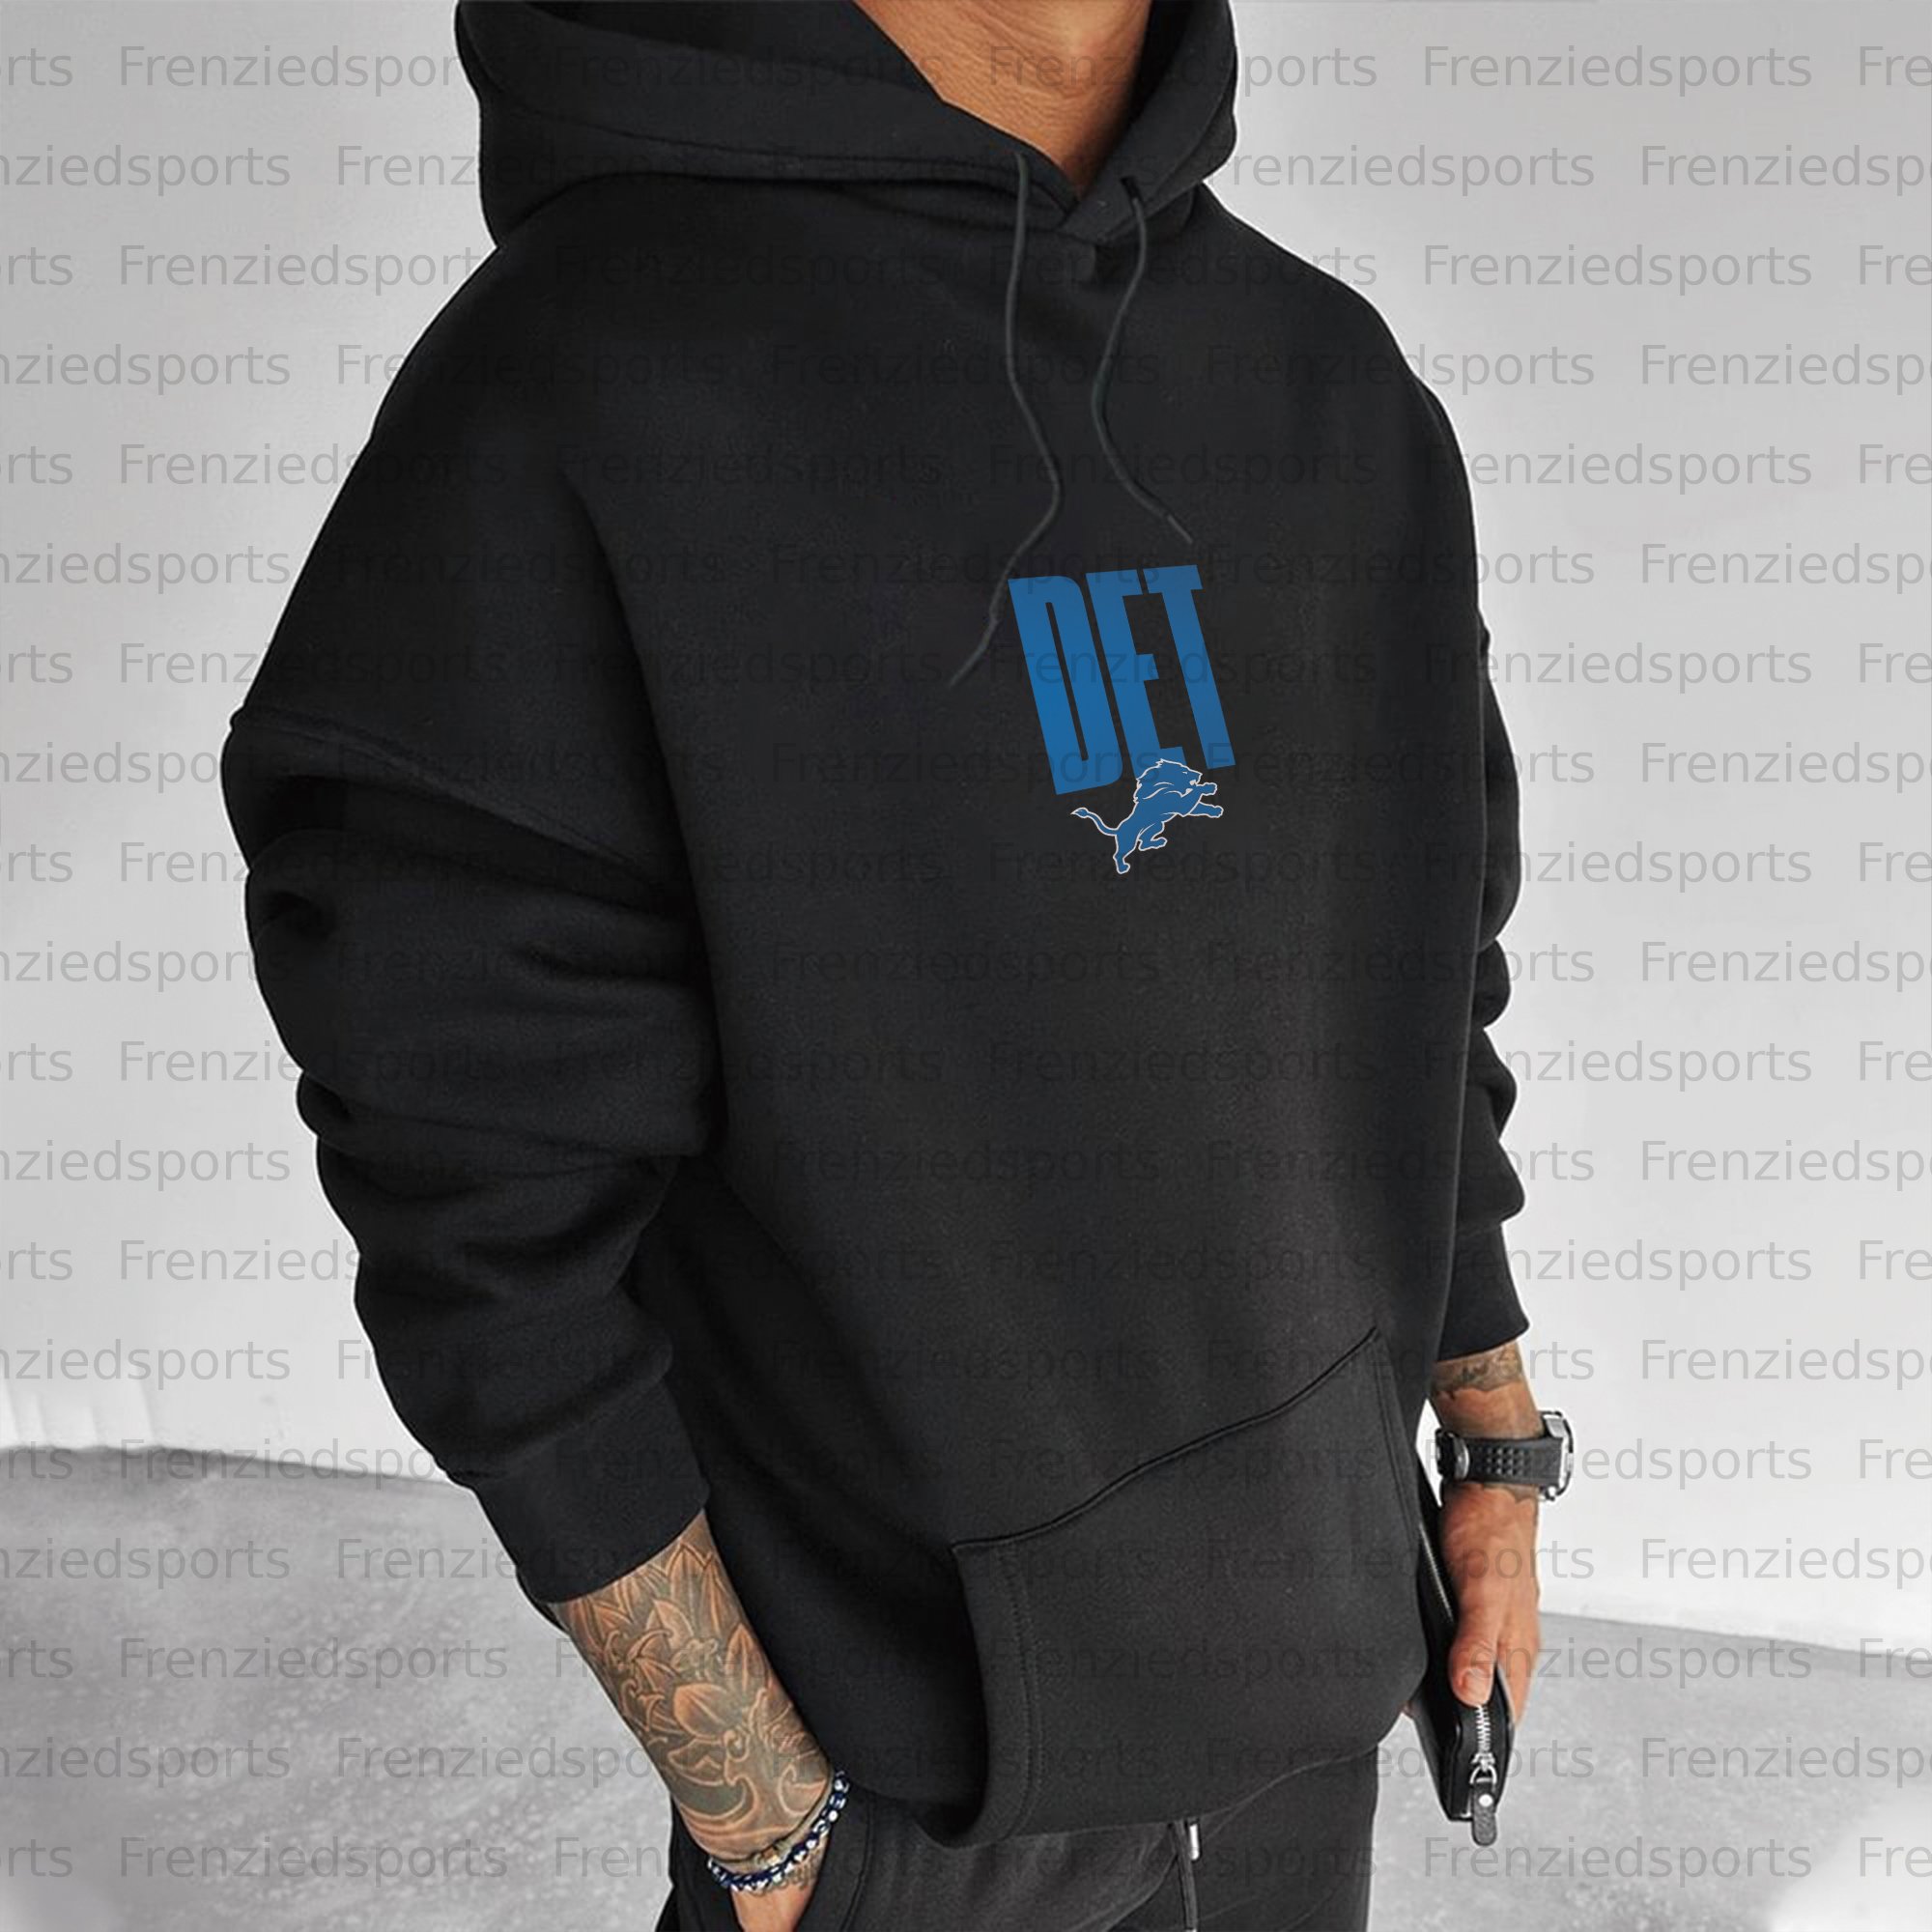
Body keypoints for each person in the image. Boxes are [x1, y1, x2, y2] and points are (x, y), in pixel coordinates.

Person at [219, 3, 1569, 1926]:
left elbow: (1421, 989)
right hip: (913, 1821)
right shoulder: (574, 395)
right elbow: (476, 1206)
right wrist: (767, 1821)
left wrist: (1494, 1443)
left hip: (1319, 1697)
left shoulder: (1332, 388)